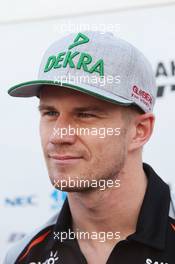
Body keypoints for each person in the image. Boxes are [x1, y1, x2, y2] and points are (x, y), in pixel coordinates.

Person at [4, 31, 175, 264]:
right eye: (50, 113)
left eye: (85, 115)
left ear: (140, 131)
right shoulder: (23, 255)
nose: (58, 135)